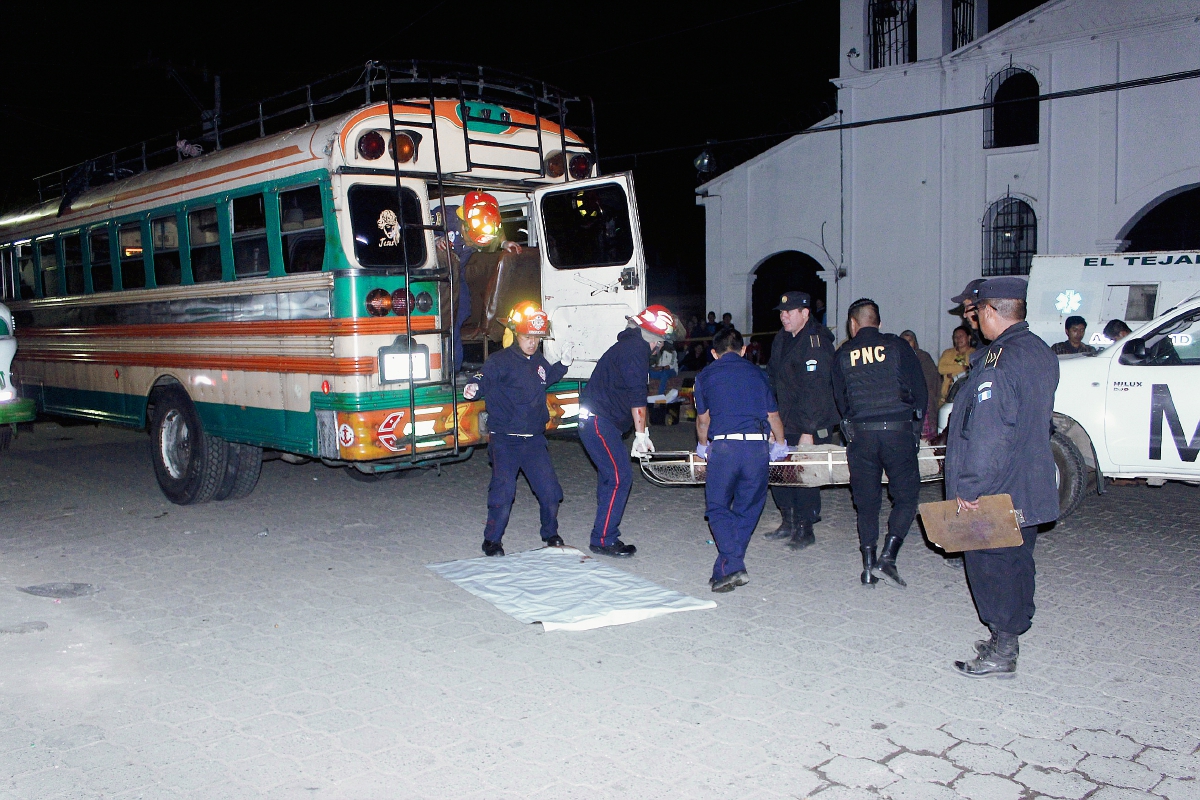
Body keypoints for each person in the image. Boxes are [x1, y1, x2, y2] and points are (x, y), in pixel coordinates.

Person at [944, 276, 1059, 678]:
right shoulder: (1039, 350)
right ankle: (1005, 636)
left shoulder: (1000, 361)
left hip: (996, 488)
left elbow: (990, 433)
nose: (972, 318)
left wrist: (970, 487)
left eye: (976, 310)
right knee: (1016, 562)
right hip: (1027, 480)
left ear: (992, 310)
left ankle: (1003, 650)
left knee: (992, 567)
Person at [462, 303, 571, 557]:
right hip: (505, 440)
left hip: (534, 441)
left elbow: (546, 378)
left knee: (550, 492)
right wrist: (473, 387)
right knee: (503, 492)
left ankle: (550, 534)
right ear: (515, 335)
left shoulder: (538, 361)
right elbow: (482, 378)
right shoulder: (499, 361)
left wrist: (563, 365)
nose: (532, 343)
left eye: (536, 338)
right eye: (527, 337)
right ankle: (492, 540)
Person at [833, 300, 927, 587]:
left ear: (852, 324)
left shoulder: (843, 354)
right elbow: (920, 392)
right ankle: (889, 556)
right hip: (898, 432)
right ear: (879, 322)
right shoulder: (898, 346)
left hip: (862, 435)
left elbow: (840, 401)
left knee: (866, 502)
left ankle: (868, 566)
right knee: (907, 497)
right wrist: (915, 431)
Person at [693, 327, 788, 593]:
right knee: (749, 508)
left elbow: (703, 420)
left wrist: (702, 446)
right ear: (743, 350)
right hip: (756, 449)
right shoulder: (758, 374)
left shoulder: (705, 375)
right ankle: (725, 569)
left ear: (714, 353)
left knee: (717, 507)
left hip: (725, 448)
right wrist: (780, 444)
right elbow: (773, 416)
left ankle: (732, 565)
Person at [578, 304, 676, 557]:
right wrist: (641, 435)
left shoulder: (630, 346)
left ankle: (603, 532)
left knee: (610, 477)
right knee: (620, 477)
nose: (659, 348)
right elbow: (637, 396)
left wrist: (642, 431)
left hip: (599, 421)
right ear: (656, 339)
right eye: (661, 343)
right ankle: (603, 539)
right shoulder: (636, 349)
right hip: (599, 421)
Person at [763, 290, 839, 549]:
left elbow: (816, 391)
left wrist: (809, 430)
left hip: (809, 421)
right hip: (785, 420)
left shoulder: (816, 342)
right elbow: (772, 378)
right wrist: (771, 421)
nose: (783, 316)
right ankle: (788, 520)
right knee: (780, 471)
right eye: (782, 312)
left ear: (805, 313)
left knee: (804, 475)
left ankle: (805, 527)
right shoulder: (782, 339)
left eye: (789, 312)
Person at [434, 192, 521, 373]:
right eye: (471, 240)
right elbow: (416, 228)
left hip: (458, 273)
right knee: (448, 318)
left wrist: (504, 243)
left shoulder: (488, 223)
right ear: (464, 225)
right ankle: (448, 366)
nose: (472, 244)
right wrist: (435, 239)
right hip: (437, 276)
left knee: (462, 312)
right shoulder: (445, 216)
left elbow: (498, 231)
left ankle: (452, 366)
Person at [900, 329, 941, 440]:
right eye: (904, 341)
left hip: (923, 402)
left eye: (910, 340)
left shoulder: (923, 357)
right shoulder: (897, 358)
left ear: (915, 343)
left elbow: (930, 381)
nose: (907, 343)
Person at [938, 326, 975, 404]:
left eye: (961, 336)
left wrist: (951, 373)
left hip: (965, 399)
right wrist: (962, 368)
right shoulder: (948, 353)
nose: (958, 339)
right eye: (956, 337)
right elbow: (941, 369)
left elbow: (969, 372)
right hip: (946, 398)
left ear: (969, 337)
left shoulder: (974, 353)